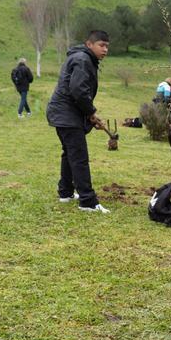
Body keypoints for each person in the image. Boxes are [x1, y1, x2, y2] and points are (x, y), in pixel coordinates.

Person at [46, 30, 111, 214]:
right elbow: (78, 91)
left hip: (62, 113)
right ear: (89, 44)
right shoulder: (83, 60)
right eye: (101, 45)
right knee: (79, 157)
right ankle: (88, 201)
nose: (105, 49)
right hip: (66, 114)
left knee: (69, 154)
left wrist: (89, 114)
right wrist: (91, 112)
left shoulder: (83, 58)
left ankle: (66, 192)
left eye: (107, 46)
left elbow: (79, 92)